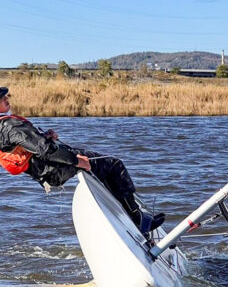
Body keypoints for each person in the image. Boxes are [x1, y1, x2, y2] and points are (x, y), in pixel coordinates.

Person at [0, 86, 164, 235]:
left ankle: (124, 213)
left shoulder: (3, 128)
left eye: (5, 95)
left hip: (45, 172)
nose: (6, 98)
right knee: (114, 165)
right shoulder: (10, 126)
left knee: (103, 170)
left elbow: (29, 146)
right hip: (55, 167)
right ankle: (138, 219)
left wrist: (45, 136)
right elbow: (45, 150)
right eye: (1, 98)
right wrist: (77, 161)